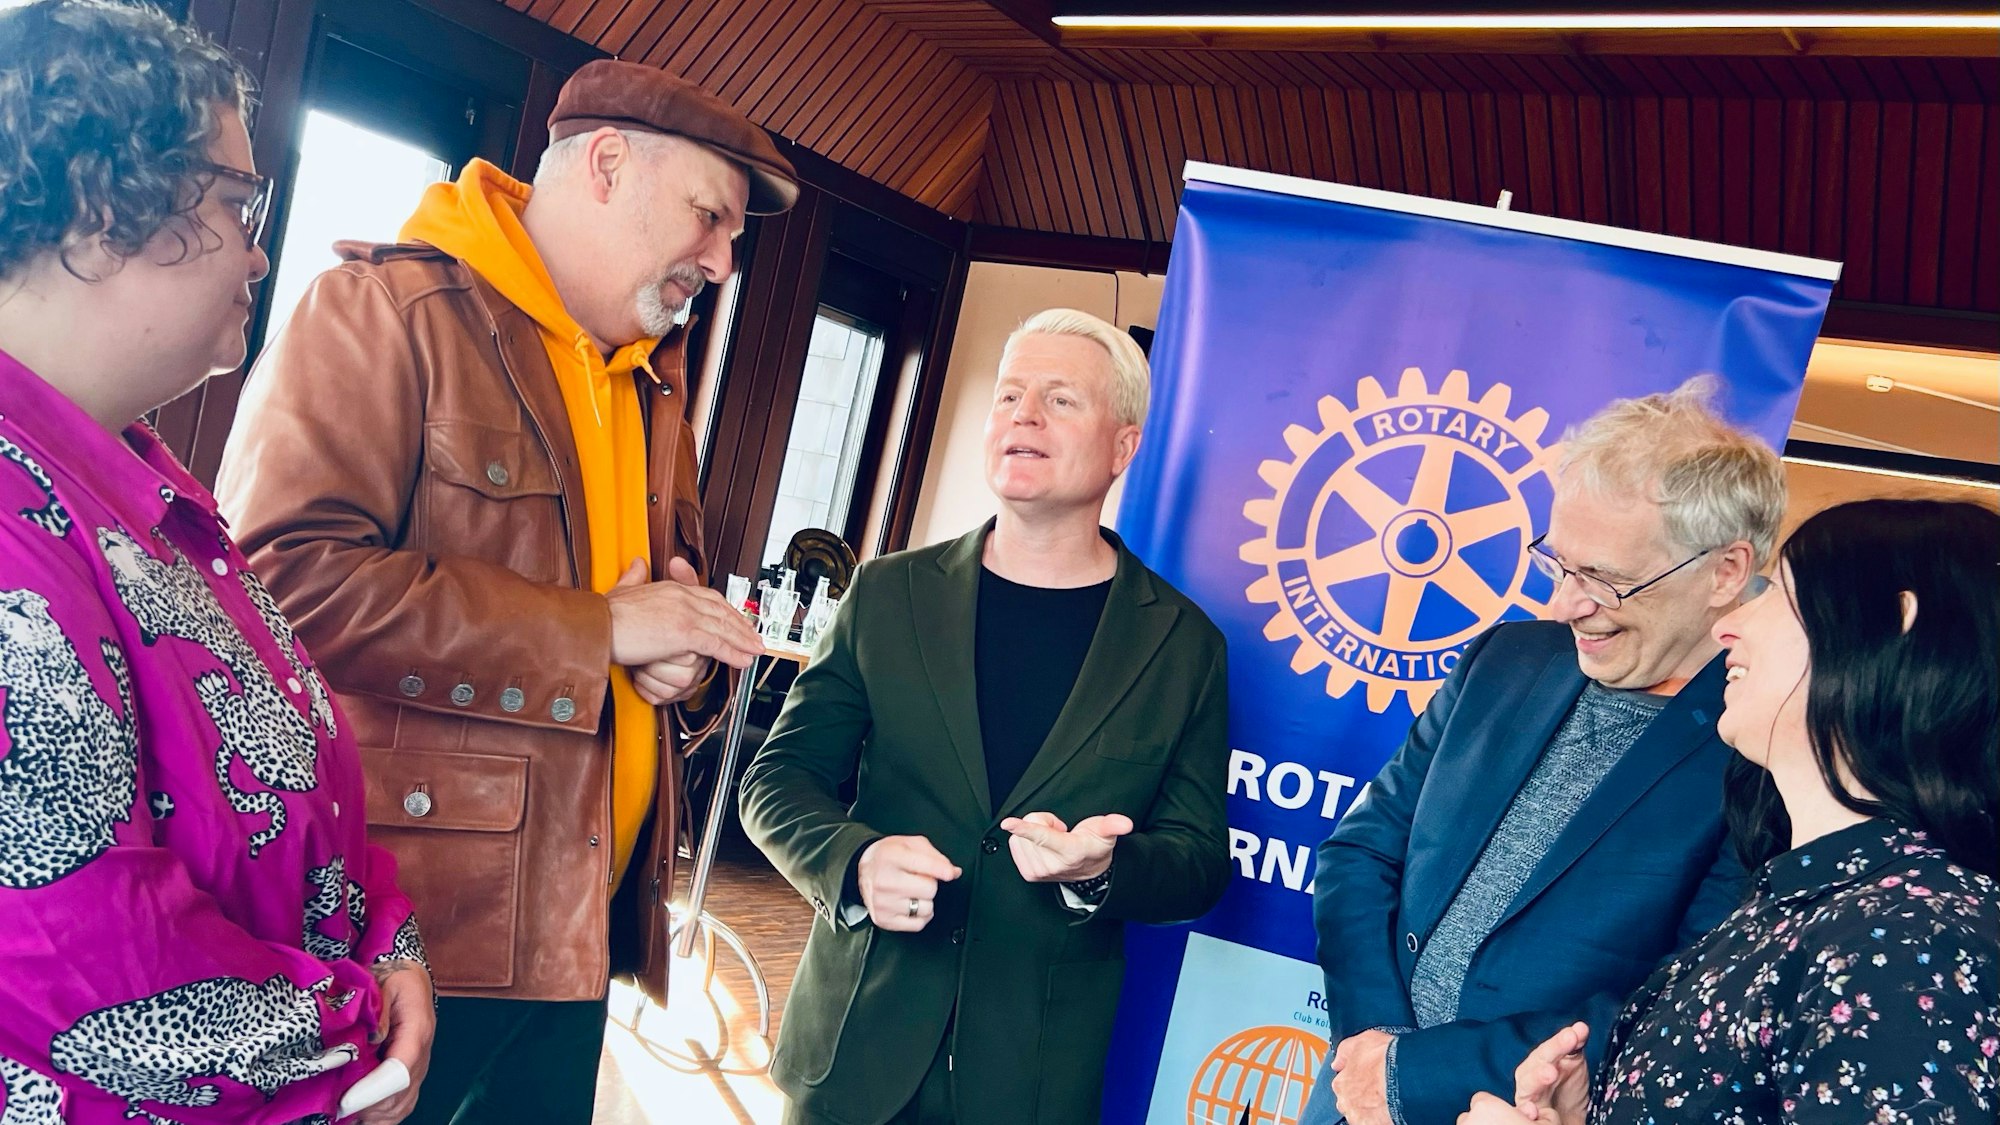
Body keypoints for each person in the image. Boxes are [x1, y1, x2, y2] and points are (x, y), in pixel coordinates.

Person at [213, 61, 792, 1123]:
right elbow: (277, 587)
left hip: (581, 942)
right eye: (709, 218)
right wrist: (599, 629)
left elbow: (665, 612)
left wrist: (680, 656)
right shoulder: (383, 311)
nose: (719, 259)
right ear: (608, 165)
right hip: (416, 943)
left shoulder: (656, 384)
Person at [0, 3, 431, 1122]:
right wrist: (353, 1032)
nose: (255, 251)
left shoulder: (143, 483)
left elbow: (293, 769)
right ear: (98, 212)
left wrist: (390, 945)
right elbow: (77, 954)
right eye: (236, 200)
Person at [739, 308, 1230, 1125]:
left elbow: (1199, 860)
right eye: (1009, 395)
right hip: (855, 1049)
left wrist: (1100, 870)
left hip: (1033, 1078)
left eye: (1060, 399)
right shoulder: (887, 594)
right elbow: (777, 779)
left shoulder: (1183, 645)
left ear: (1124, 446)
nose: (1023, 416)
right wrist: (853, 863)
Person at [1306, 379, 1781, 1125]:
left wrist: (1415, 1075)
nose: (1568, 603)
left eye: (1607, 578)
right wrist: (1374, 1051)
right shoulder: (1507, 658)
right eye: (1561, 564)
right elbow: (1358, 852)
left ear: (1725, 571)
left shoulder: (1763, 748)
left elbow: (1682, 1004)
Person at [1460, 497, 1999, 1125]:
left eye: (1783, 596)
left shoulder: (1909, 942)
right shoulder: (1817, 899)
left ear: (1891, 625)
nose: (1727, 626)